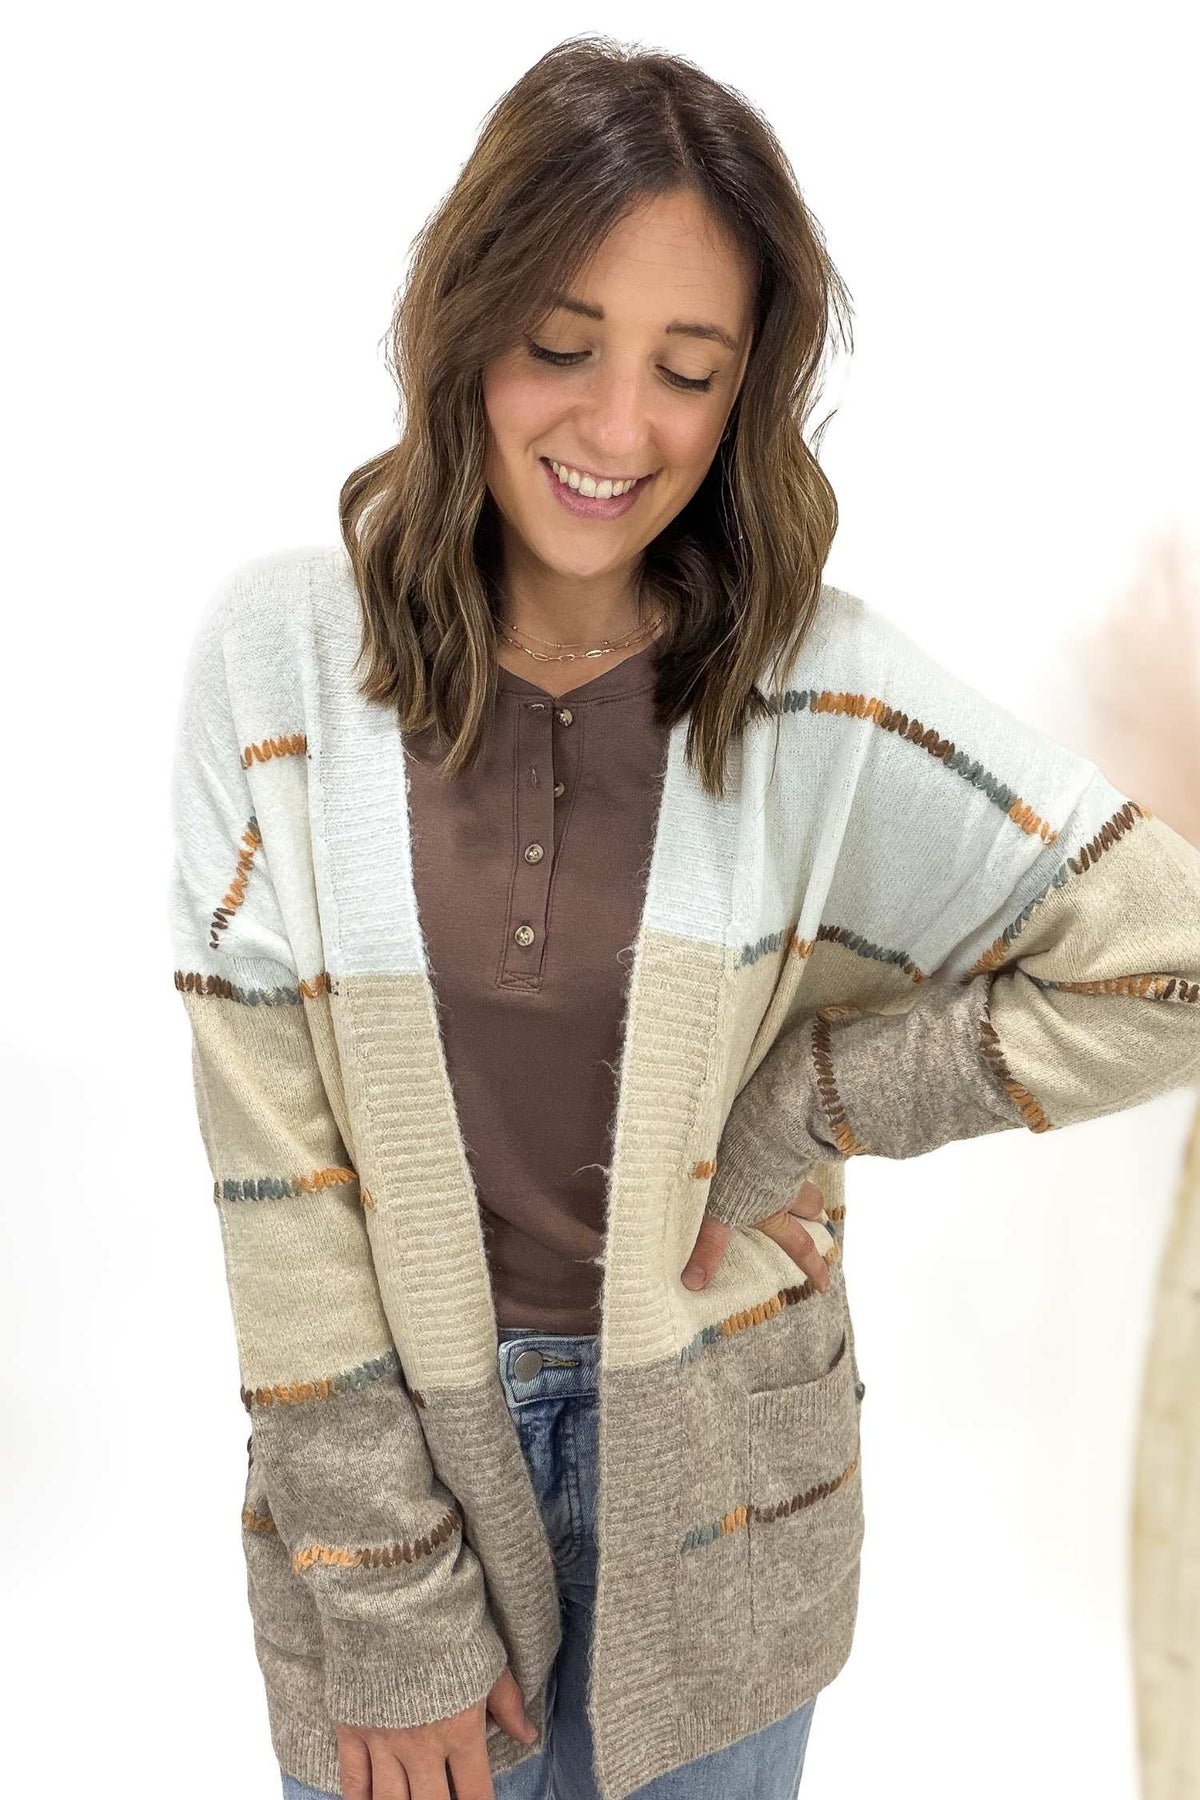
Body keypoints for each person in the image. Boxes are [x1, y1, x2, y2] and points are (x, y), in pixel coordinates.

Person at [168, 33, 1200, 1800]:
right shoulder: (280, 666)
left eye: (689, 370)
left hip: (732, 1495)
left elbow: (1165, 961)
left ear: (747, 393)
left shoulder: (819, 693)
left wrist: (811, 1101)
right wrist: (393, 1606)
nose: (616, 428)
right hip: (389, 1498)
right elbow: (279, 1184)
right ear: (463, 325)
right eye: (562, 345)